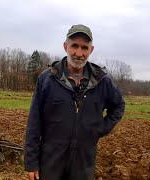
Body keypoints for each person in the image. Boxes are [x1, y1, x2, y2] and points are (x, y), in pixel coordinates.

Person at [24, 24, 125, 180]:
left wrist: (100, 128)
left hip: (84, 162)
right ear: (65, 46)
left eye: (85, 47)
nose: (79, 53)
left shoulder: (102, 81)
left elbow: (119, 105)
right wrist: (31, 162)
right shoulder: (47, 79)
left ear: (91, 50)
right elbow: (34, 123)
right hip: (50, 161)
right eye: (74, 46)